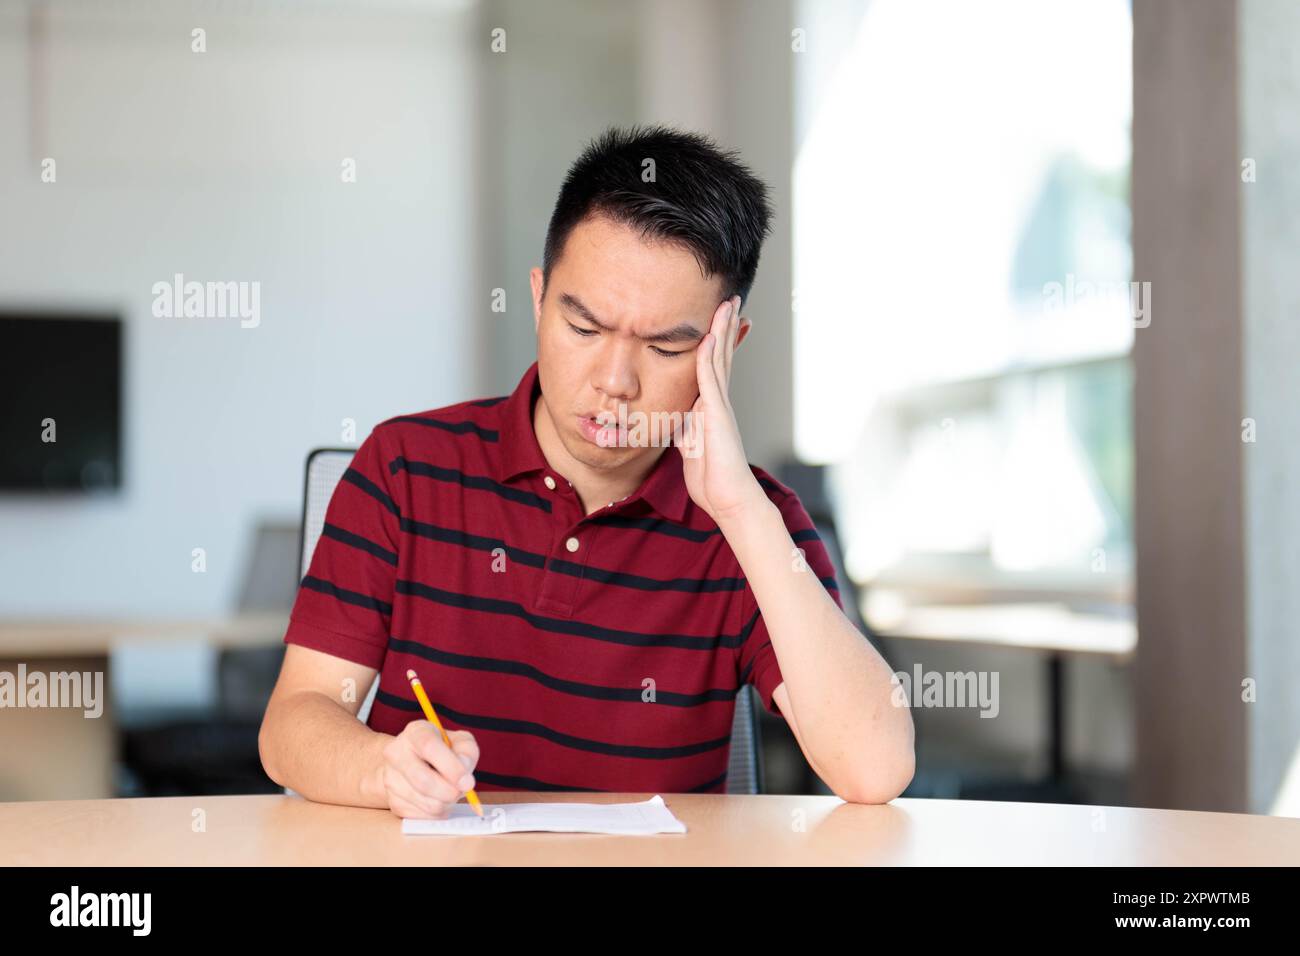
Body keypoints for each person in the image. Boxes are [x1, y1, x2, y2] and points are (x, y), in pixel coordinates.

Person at [258, 125, 915, 818]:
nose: (615, 381)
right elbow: (292, 723)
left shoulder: (756, 522)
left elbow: (874, 768)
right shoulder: (404, 470)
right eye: (583, 329)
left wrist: (741, 513)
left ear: (726, 347)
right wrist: (380, 768)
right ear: (539, 299)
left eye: (666, 347)